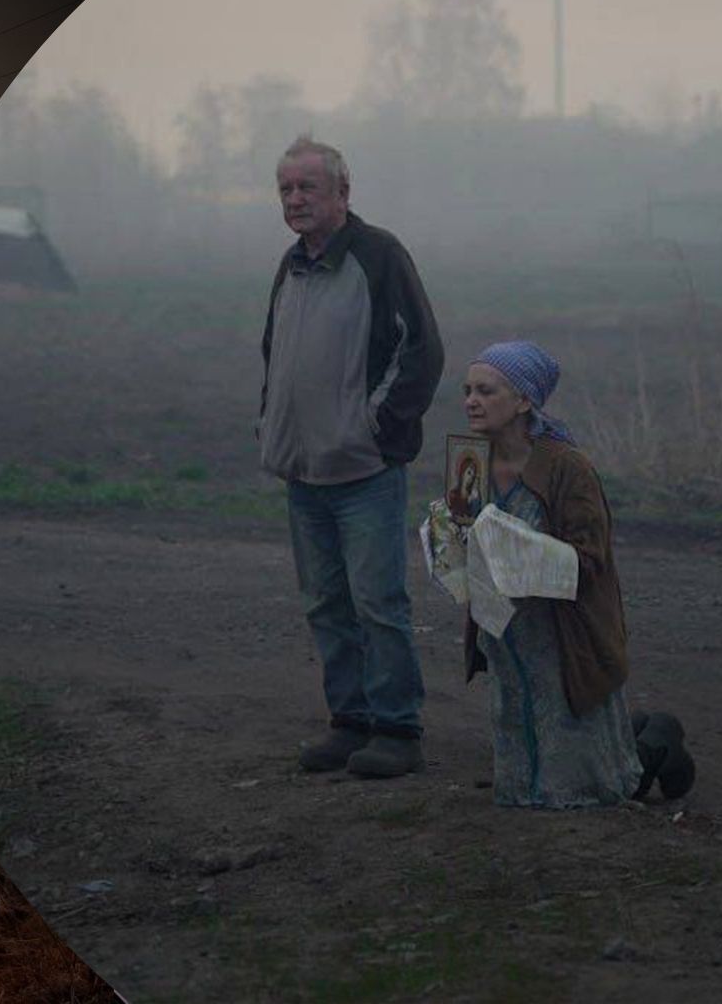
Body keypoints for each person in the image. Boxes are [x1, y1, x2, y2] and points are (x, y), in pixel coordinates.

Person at [258, 136, 445, 779]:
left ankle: (397, 730)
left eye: (307, 187)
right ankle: (350, 721)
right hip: (303, 472)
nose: (295, 199)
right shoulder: (291, 266)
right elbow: (275, 356)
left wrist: (373, 430)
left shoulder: (379, 256)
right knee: (325, 604)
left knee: (377, 603)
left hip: (364, 471)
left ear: (343, 191)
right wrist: (271, 426)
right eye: (286, 189)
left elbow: (421, 351)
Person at [459, 341, 692, 807]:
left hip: (562, 635)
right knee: (521, 780)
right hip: (508, 636)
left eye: (485, 391)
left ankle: (660, 742)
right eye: (467, 391)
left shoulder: (568, 468)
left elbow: (590, 560)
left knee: (593, 787)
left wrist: (521, 554)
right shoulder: (470, 460)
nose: (471, 401)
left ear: (524, 400)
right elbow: (465, 535)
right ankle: (634, 732)